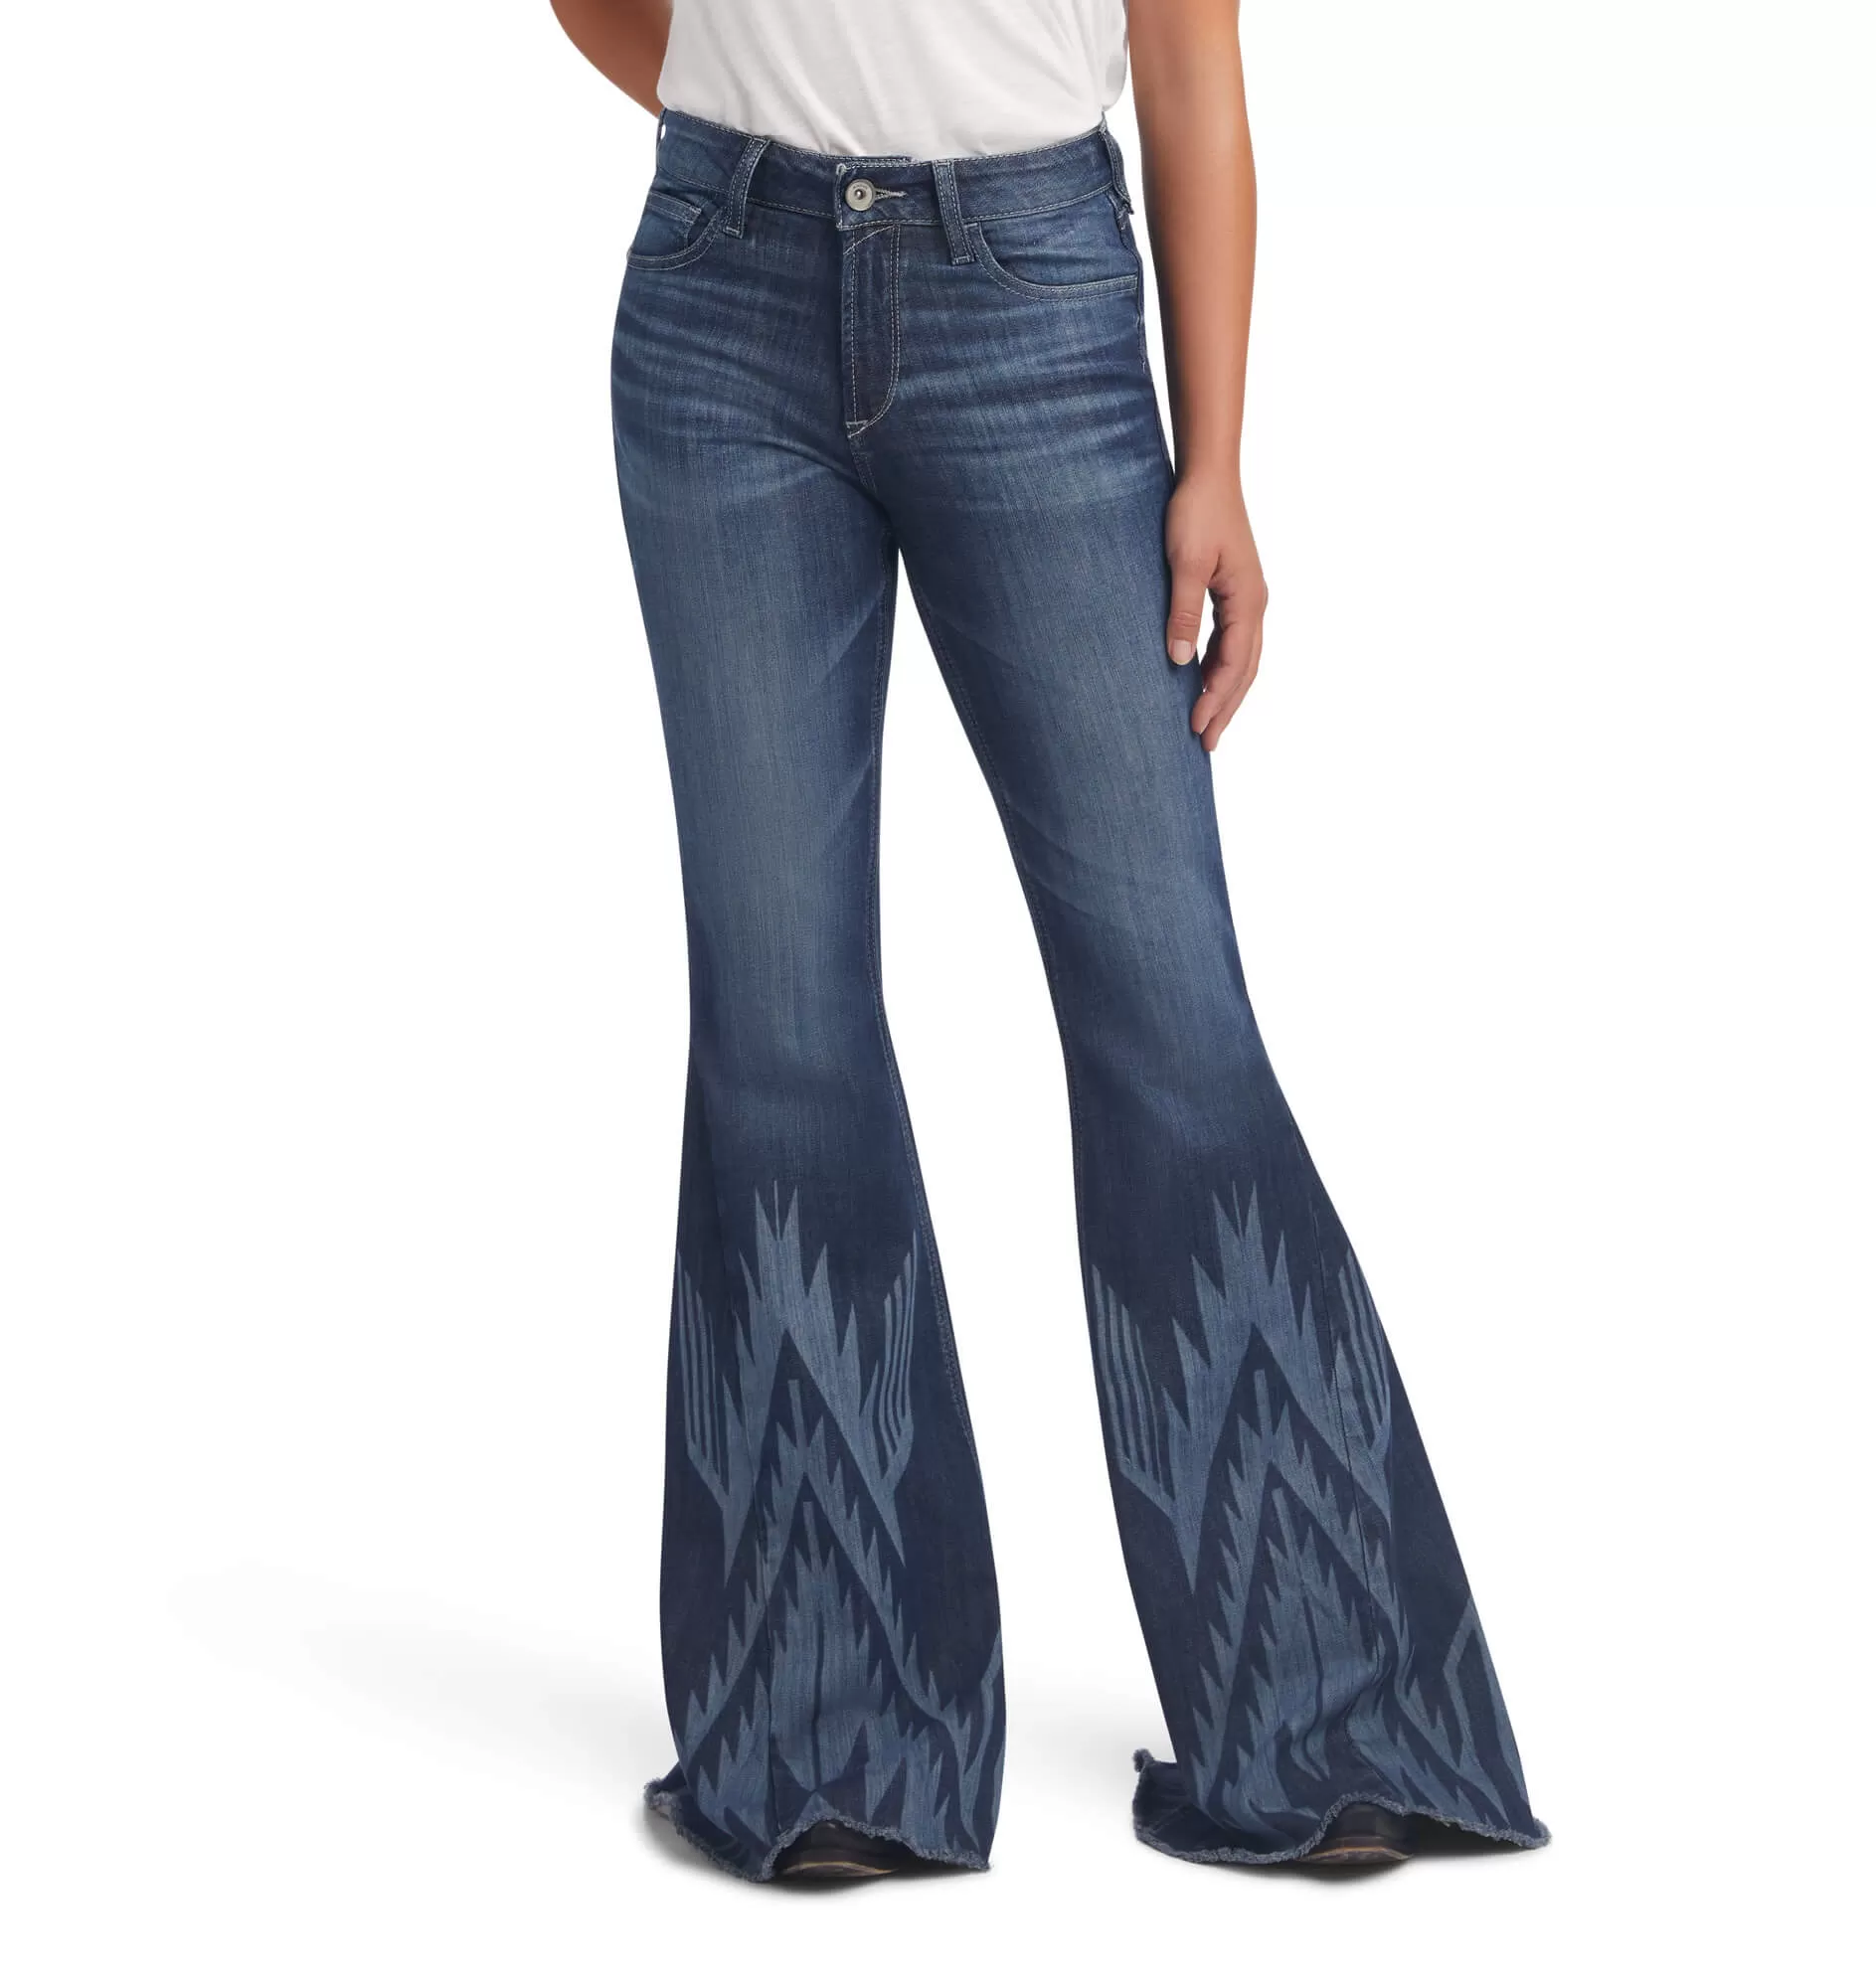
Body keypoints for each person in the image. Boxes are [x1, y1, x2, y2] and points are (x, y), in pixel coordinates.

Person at [549, 0, 1548, 1883]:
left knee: (1168, 1004)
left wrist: (1216, 459)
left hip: (1033, 308)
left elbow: (1187, 63)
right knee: (780, 1018)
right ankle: (833, 1744)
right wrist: (747, 114)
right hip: (717, 303)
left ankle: (1330, 1717)